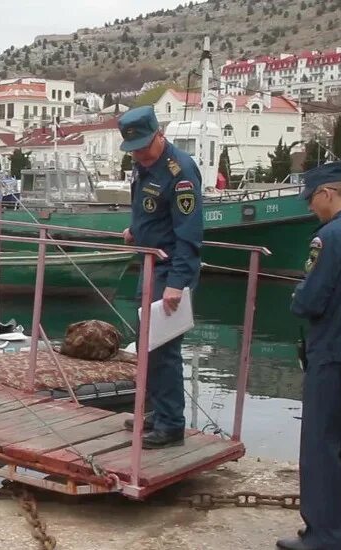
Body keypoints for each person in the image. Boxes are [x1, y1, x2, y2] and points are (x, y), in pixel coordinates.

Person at [276, 161, 341, 550]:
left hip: (332, 353)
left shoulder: (330, 237)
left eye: (311, 199)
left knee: (321, 446)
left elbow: (310, 300)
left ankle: (322, 536)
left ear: (327, 193)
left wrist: (297, 296)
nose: (310, 208)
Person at [118, 106, 203, 449]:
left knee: (164, 348)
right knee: (146, 344)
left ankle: (171, 425)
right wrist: (135, 230)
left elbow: (189, 233)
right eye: (133, 148)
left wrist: (177, 284)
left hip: (170, 269)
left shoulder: (179, 171)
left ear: (159, 134)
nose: (138, 154)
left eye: (143, 146)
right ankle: (159, 409)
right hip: (149, 262)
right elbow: (151, 211)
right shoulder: (143, 166)